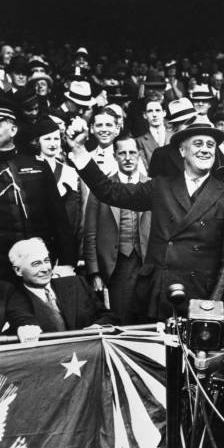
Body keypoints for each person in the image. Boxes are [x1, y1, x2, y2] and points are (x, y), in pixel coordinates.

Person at [67, 118, 224, 319]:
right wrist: (80, 151)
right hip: (159, 293)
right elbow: (109, 192)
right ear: (182, 151)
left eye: (210, 145)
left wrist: (213, 303)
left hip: (201, 296)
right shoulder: (160, 187)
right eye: (198, 144)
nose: (205, 149)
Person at [0, 101, 77, 282]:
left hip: (40, 267)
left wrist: (66, 262)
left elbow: (59, 221)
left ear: (13, 130)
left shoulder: (38, 166)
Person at [84, 137, 151, 324]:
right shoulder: (102, 188)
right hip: (116, 265)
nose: (128, 158)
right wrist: (95, 273)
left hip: (147, 263)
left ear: (139, 155)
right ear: (115, 156)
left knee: (147, 318)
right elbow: (90, 233)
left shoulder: (152, 185)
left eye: (132, 153)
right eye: (122, 153)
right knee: (121, 317)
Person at [9, 238, 117, 331]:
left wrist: (97, 327)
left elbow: (110, 317)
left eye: (46, 261)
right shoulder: (15, 301)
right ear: (18, 270)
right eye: (36, 264)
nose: (45, 269)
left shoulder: (77, 284)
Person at [135, 99, 171, 171]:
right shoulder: (139, 141)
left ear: (164, 113)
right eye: (150, 111)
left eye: (157, 110)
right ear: (145, 115)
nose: (154, 115)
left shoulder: (175, 136)